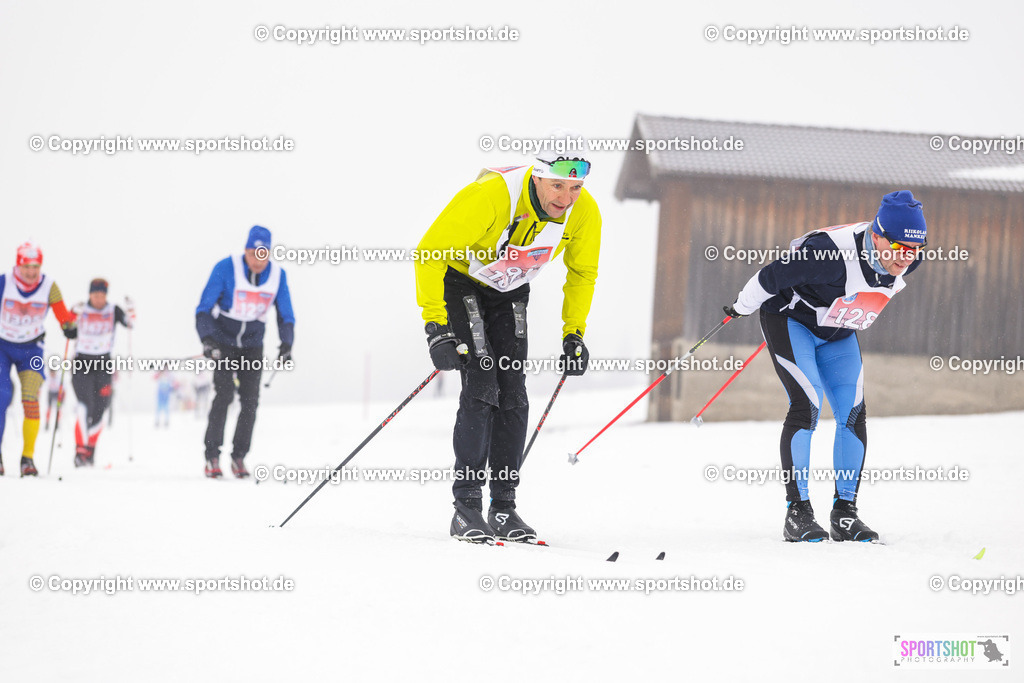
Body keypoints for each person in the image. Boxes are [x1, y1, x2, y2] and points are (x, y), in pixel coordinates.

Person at [415, 130, 601, 543]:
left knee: (513, 392)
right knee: (482, 384)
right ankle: (466, 508)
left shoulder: (583, 211)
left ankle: (503, 508)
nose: (566, 198)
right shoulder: (492, 196)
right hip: (462, 283)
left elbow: (582, 272)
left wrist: (575, 333)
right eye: (557, 185)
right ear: (537, 176)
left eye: (575, 187)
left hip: (510, 287)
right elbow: (428, 252)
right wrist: (436, 327)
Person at [725, 190, 927, 542]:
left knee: (852, 410)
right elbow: (769, 277)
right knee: (808, 403)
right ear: (877, 236)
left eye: (915, 250)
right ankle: (797, 512)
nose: (906, 260)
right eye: (898, 249)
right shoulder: (828, 255)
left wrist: (902, 256)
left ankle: (844, 513)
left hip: (838, 329)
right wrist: (741, 306)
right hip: (790, 320)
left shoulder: (906, 255)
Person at [196, 225, 294, 478]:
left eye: (264, 254)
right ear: (246, 250)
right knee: (224, 395)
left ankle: (239, 457)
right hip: (223, 343)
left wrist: (286, 344)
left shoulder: (277, 276)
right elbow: (204, 308)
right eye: (254, 254)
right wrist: (207, 339)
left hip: (252, 345)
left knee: (250, 401)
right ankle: (212, 456)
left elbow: (285, 313)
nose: (258, 260)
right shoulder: (226, 268)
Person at [0, 242, 78, 476]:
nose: (31, 272)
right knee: (1, 396)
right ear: (19, 264)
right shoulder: (4, 282)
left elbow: (62, 313)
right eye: (27, 267)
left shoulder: (49, 286)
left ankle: (27, 459)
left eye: (36, 266)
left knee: (30, 398)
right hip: (2, 345)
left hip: (31, 349)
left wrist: (69, 326)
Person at [70, 278, 134, 466]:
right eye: (95, 295)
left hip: (103, 364)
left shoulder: (113, 310)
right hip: (82, 362)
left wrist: (131, 310)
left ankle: (90, 450)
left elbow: (130, 324)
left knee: (101, 408)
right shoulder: (82, 309)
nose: (99, 299)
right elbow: (68, 330)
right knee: (85, 404)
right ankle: (80, 451)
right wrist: (72, 317)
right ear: (89, 294)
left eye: (102, 295)